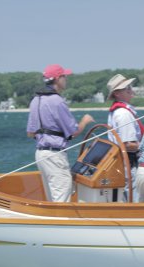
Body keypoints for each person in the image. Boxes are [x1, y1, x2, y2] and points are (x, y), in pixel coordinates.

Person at [26, 64, 94, 202]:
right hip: (54, 155)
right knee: (61, 197)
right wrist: (85, 121)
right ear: (57, 79)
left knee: (52, 198)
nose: (66, 79)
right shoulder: (57, 101)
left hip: (40, 154)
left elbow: (30, 133)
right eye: (64, 76)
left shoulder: (35, 100)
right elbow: (73, 132)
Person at [107, 74, 144, 202]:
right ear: (117, 94)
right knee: (134, 196)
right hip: (129, 162)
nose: (130, 90)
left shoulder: (116, 111)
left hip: (122, 161)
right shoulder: (123, 114)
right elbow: (128, 145)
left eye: (129, 86)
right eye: (126, 88)